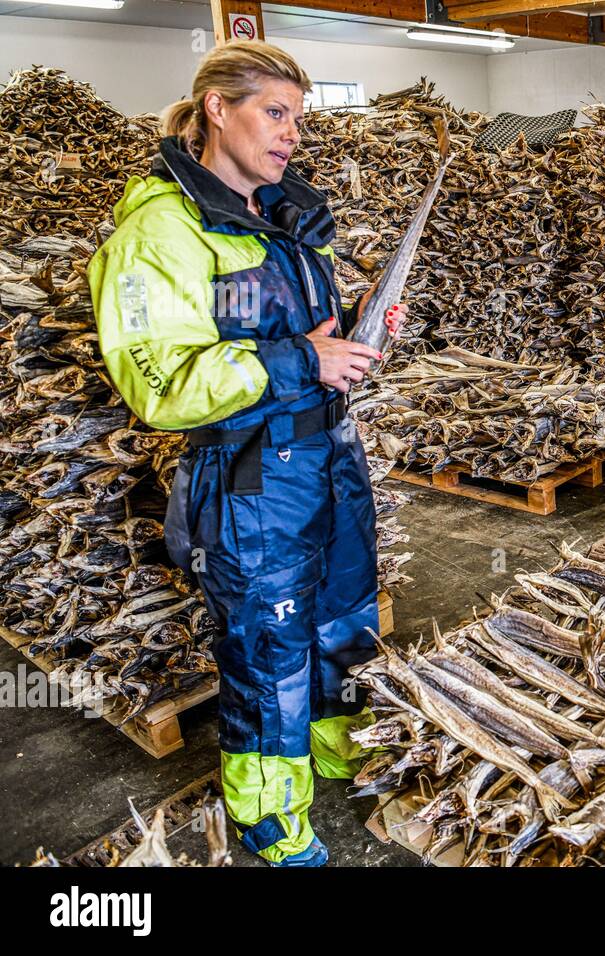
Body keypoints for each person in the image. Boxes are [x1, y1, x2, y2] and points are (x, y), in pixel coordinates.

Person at [88, 40, 406, 866]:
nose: (292, 133)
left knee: (343, 620)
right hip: (249, 471)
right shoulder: (159, 230)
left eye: (298, 117)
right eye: (275, 112)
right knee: (268, 650)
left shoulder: (287, 212)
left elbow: (308, 331)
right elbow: (159, 387)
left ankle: (337, 749)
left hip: (327, 456)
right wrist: (307, 359)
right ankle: (271, 820)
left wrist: (359, 329)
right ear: (216, 110)